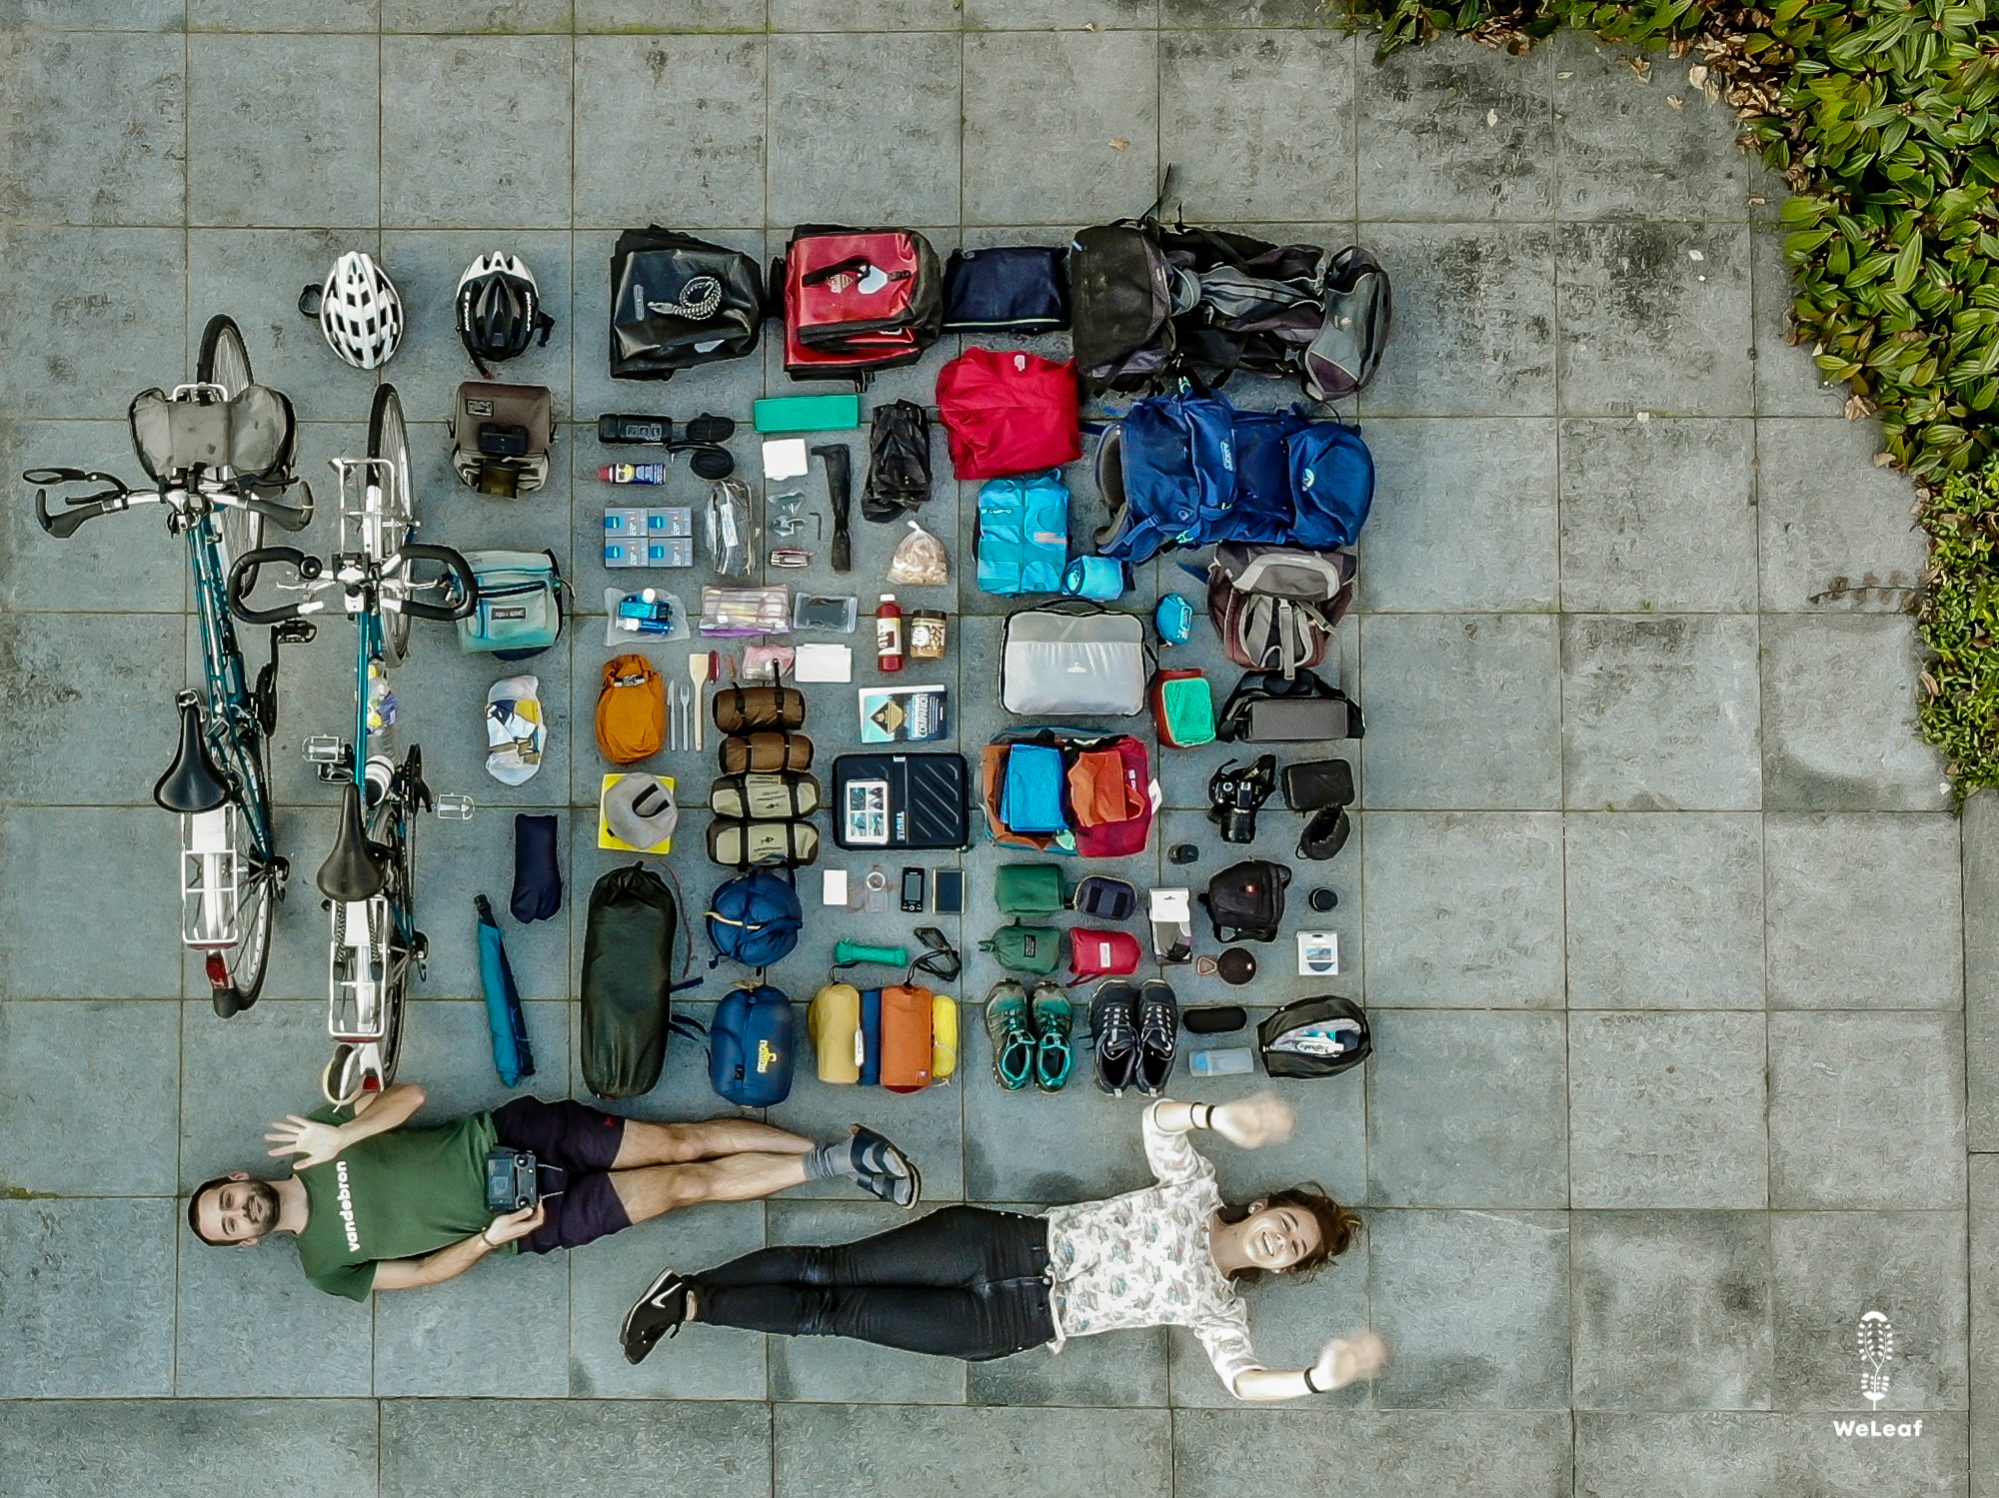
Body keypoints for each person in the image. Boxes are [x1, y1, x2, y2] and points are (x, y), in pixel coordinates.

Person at [619, 1094, 1387, 1401]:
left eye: (1293, 1250)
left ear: (1279, 1267)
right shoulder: (1193, 1193)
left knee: (837, 1315)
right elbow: (1156, 1123)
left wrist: (1315, 1379)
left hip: (1013, 1328)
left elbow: (1243, 1383)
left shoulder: (1220, 1312)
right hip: (1000, 1249)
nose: (1284, 1239)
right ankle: (691, 1285)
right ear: (1264, 1205)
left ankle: (689, 1302)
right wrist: (1219, 1116)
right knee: (832, 1267)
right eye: (1289, 1222)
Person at [186, 1084, 919, 1301]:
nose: (237, 1212)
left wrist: (341, 1138)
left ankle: (837, 1154)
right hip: (526, 1219)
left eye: (227, 1199)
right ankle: (840, 1161)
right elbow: (417, 1272)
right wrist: (486, 1241)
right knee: (684, 1186)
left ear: (241, 1179)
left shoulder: (317, 1142)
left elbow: (408, 1097)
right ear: (247, 1240)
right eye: (230, 1226)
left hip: (518, 1136)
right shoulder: (323, 1268)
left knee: (679, 1142)